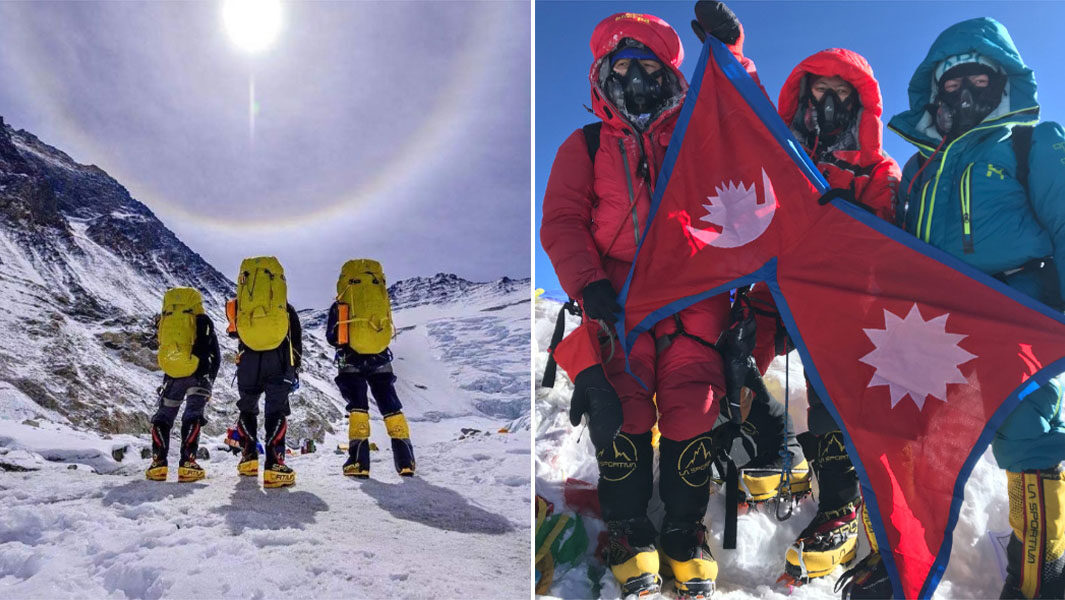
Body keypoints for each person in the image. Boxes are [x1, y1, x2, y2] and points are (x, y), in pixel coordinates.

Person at [841, 17, 1065, 599]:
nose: (966, 95)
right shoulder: (918, 171)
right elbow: (890, 248)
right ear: (934, 94)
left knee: (1028, 433)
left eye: (981, 82)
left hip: (1013, 309)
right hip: (932, 323)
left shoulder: (1030, 144)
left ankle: (1039, 575)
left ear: (1004, 86)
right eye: (954, 83)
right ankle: (892, 560)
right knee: (888, 422)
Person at [541, 5, 760, 597]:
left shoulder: (701, 133)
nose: (636, 79)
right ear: (604, 75)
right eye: (624, 66)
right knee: (625, 411)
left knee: (694, 406)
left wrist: (731, 50)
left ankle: (685, 530)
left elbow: (747, 121)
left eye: (649, 66)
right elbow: (562, 222)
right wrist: (588, 283)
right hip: (616, 300)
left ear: (669, 75)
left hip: (694, 294)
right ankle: (629, 526)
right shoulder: (583, 146)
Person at [744, 48, 901, 585]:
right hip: (772, 291)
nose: (828, 103)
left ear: (859, 105)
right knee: (724, 369)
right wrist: (737, 52)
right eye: (819, 91)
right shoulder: (781, 153)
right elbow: (745, 112)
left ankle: (840, 505)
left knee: (831, 397)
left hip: (836, 304)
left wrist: (858, 225)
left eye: (841, 94)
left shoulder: (878, 170)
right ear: (803, 98)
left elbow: (888, 245)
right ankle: (778, 455)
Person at [325, 259, 415, 478]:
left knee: (358, 407)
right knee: (390, 405)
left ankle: (359, 462)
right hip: (380, 357)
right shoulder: (380, 297)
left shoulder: (341, 304)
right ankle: (406, 461)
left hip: (350, 360)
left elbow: (331, 337)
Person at [226, 256, 303, 489]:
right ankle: (274, 465)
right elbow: (296, 340)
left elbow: (233, 332)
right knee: (276, 410)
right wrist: (294, 367)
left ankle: (248, 458)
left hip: (248, 360)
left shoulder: (242, 305)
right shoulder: (284, 309)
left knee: (247, 407)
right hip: (278, 362)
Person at [147, 286, 220, 482]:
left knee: (163, 416)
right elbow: (215, 353)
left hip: (173, 375)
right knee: (193, 414)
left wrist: (169, 375)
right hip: (199, 374)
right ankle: (188, 463)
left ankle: (158, 464)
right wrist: (210, 379)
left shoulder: (167, 321)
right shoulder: (202, 320)